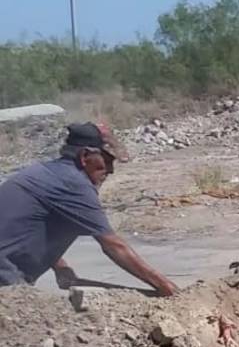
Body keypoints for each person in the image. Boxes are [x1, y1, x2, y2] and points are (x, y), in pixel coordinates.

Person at [0, 122, 177, 296]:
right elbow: (114, 246)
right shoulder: (74, 184)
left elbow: (31, 226)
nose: (111, 170)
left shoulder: (46, 173)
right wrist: (166, 287)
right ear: (85, 156)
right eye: (107, 161)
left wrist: (61, 267)